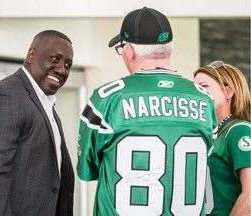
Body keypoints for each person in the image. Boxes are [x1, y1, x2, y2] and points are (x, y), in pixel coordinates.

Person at [77, 7, 218, 216]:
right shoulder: (204, 100)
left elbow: (88, 170)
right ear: (169, 49)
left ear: (130, 51)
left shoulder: (106, 99)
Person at [0, 30, 75, 215]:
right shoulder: (5, 96)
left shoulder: (46, 105)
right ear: (31, 55)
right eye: (55, 59)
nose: (62, 70)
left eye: (68, 65)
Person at [194, 61, 251, 216]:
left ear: (228, 91)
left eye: (204, 87)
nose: (198, 93)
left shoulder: (239, 130)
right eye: (195, 88)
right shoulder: (212, 134)